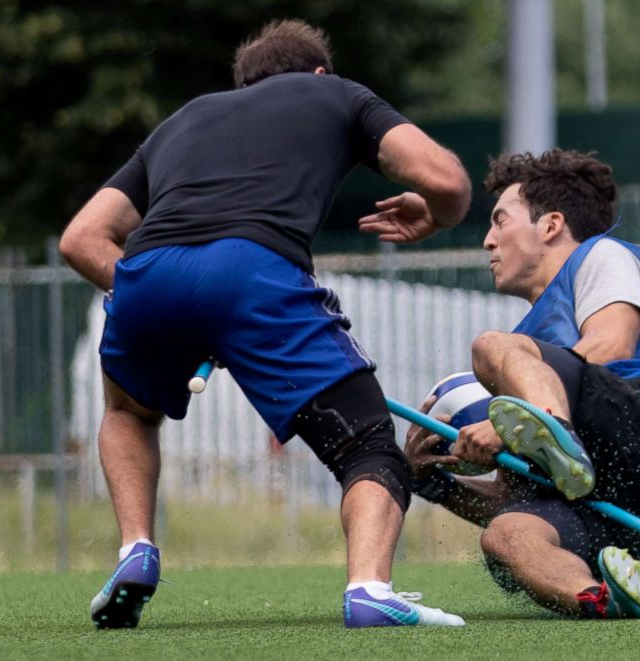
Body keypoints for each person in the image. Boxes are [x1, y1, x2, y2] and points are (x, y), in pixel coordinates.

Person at [59, 19, 471, 629]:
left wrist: (176, 302)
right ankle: (369, 590)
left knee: (127, 412)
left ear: (243, 83)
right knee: (367, 445)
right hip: (252, 268)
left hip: (144, 276)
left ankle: (136, 550)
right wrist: (435, 215)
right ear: (318, 73)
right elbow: (447, 181)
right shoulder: (337, 95)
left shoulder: (185, 118)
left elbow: (80, 238)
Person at [404, 149, 640, 620]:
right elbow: (509, 497)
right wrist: (435, 484)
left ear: (551, 225)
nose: (488, 241)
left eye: (500, 221)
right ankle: (605, 599)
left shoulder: (600, 254)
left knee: (490, 346)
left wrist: (525, 423)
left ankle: (554, 429)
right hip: (609, 500)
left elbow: (613, 344)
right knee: (506, 535)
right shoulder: (528, 355)